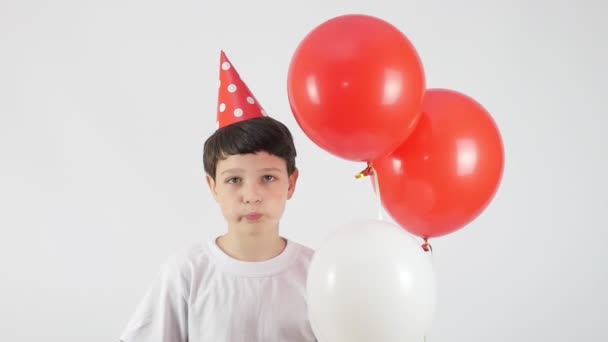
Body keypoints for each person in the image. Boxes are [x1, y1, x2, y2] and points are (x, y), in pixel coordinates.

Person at [119, 51, 317, 342]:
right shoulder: (187, 272)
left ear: (291, 182)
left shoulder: (318, 272)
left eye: (268, 178)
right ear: (213, 187)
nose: (251, 195)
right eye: (234, 180)